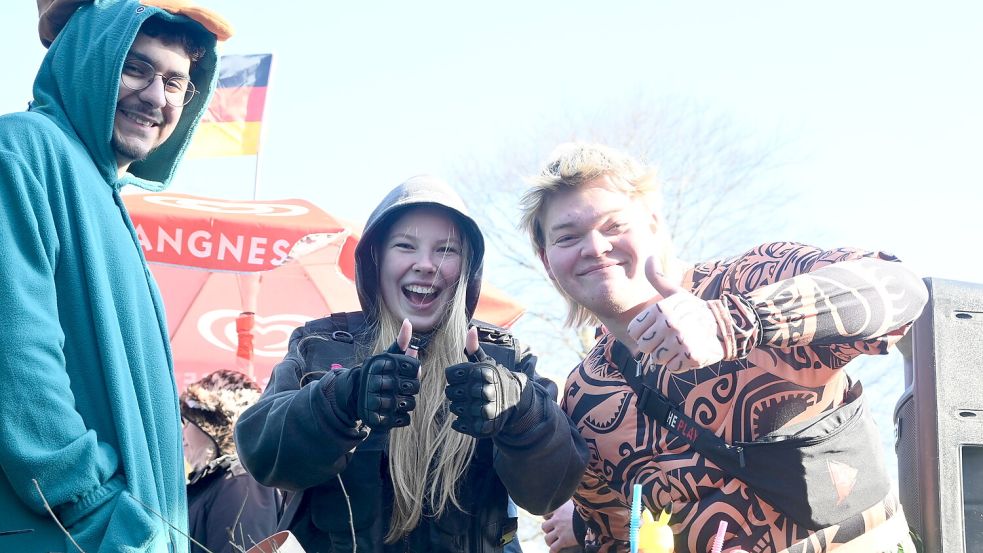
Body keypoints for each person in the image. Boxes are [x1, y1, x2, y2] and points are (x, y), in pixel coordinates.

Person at [519, 143, 929, 553]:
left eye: (613, 225)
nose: (594, 247)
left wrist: (734, 322)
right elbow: (613, 535)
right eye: (568, 237)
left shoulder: (748, 280)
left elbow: (899, 287)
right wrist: (582, 526)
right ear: (546, 260)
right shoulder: (583, 396)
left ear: (653, 225)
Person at [235, 175, 589, 552]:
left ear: (467, 267)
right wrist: (342, 399)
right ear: (376, 258)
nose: (425, 264)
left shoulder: (507, 357)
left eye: (446, 250)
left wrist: (522, 411)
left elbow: (549, 491)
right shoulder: (319, 345)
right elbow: (263, 454)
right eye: (405, 246)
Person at [0, 1, 230, 551]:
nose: (156, 97)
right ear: (86, 59)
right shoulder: (24, 148)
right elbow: (19, 357)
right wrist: (98, 509)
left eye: (176, 82)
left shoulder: (106, 197)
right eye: (135, 68)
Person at [182, 370, 280, 553]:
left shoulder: (241, 483)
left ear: (213, 429)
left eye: (188, 423)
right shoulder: (218, 481)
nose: (183, 434)